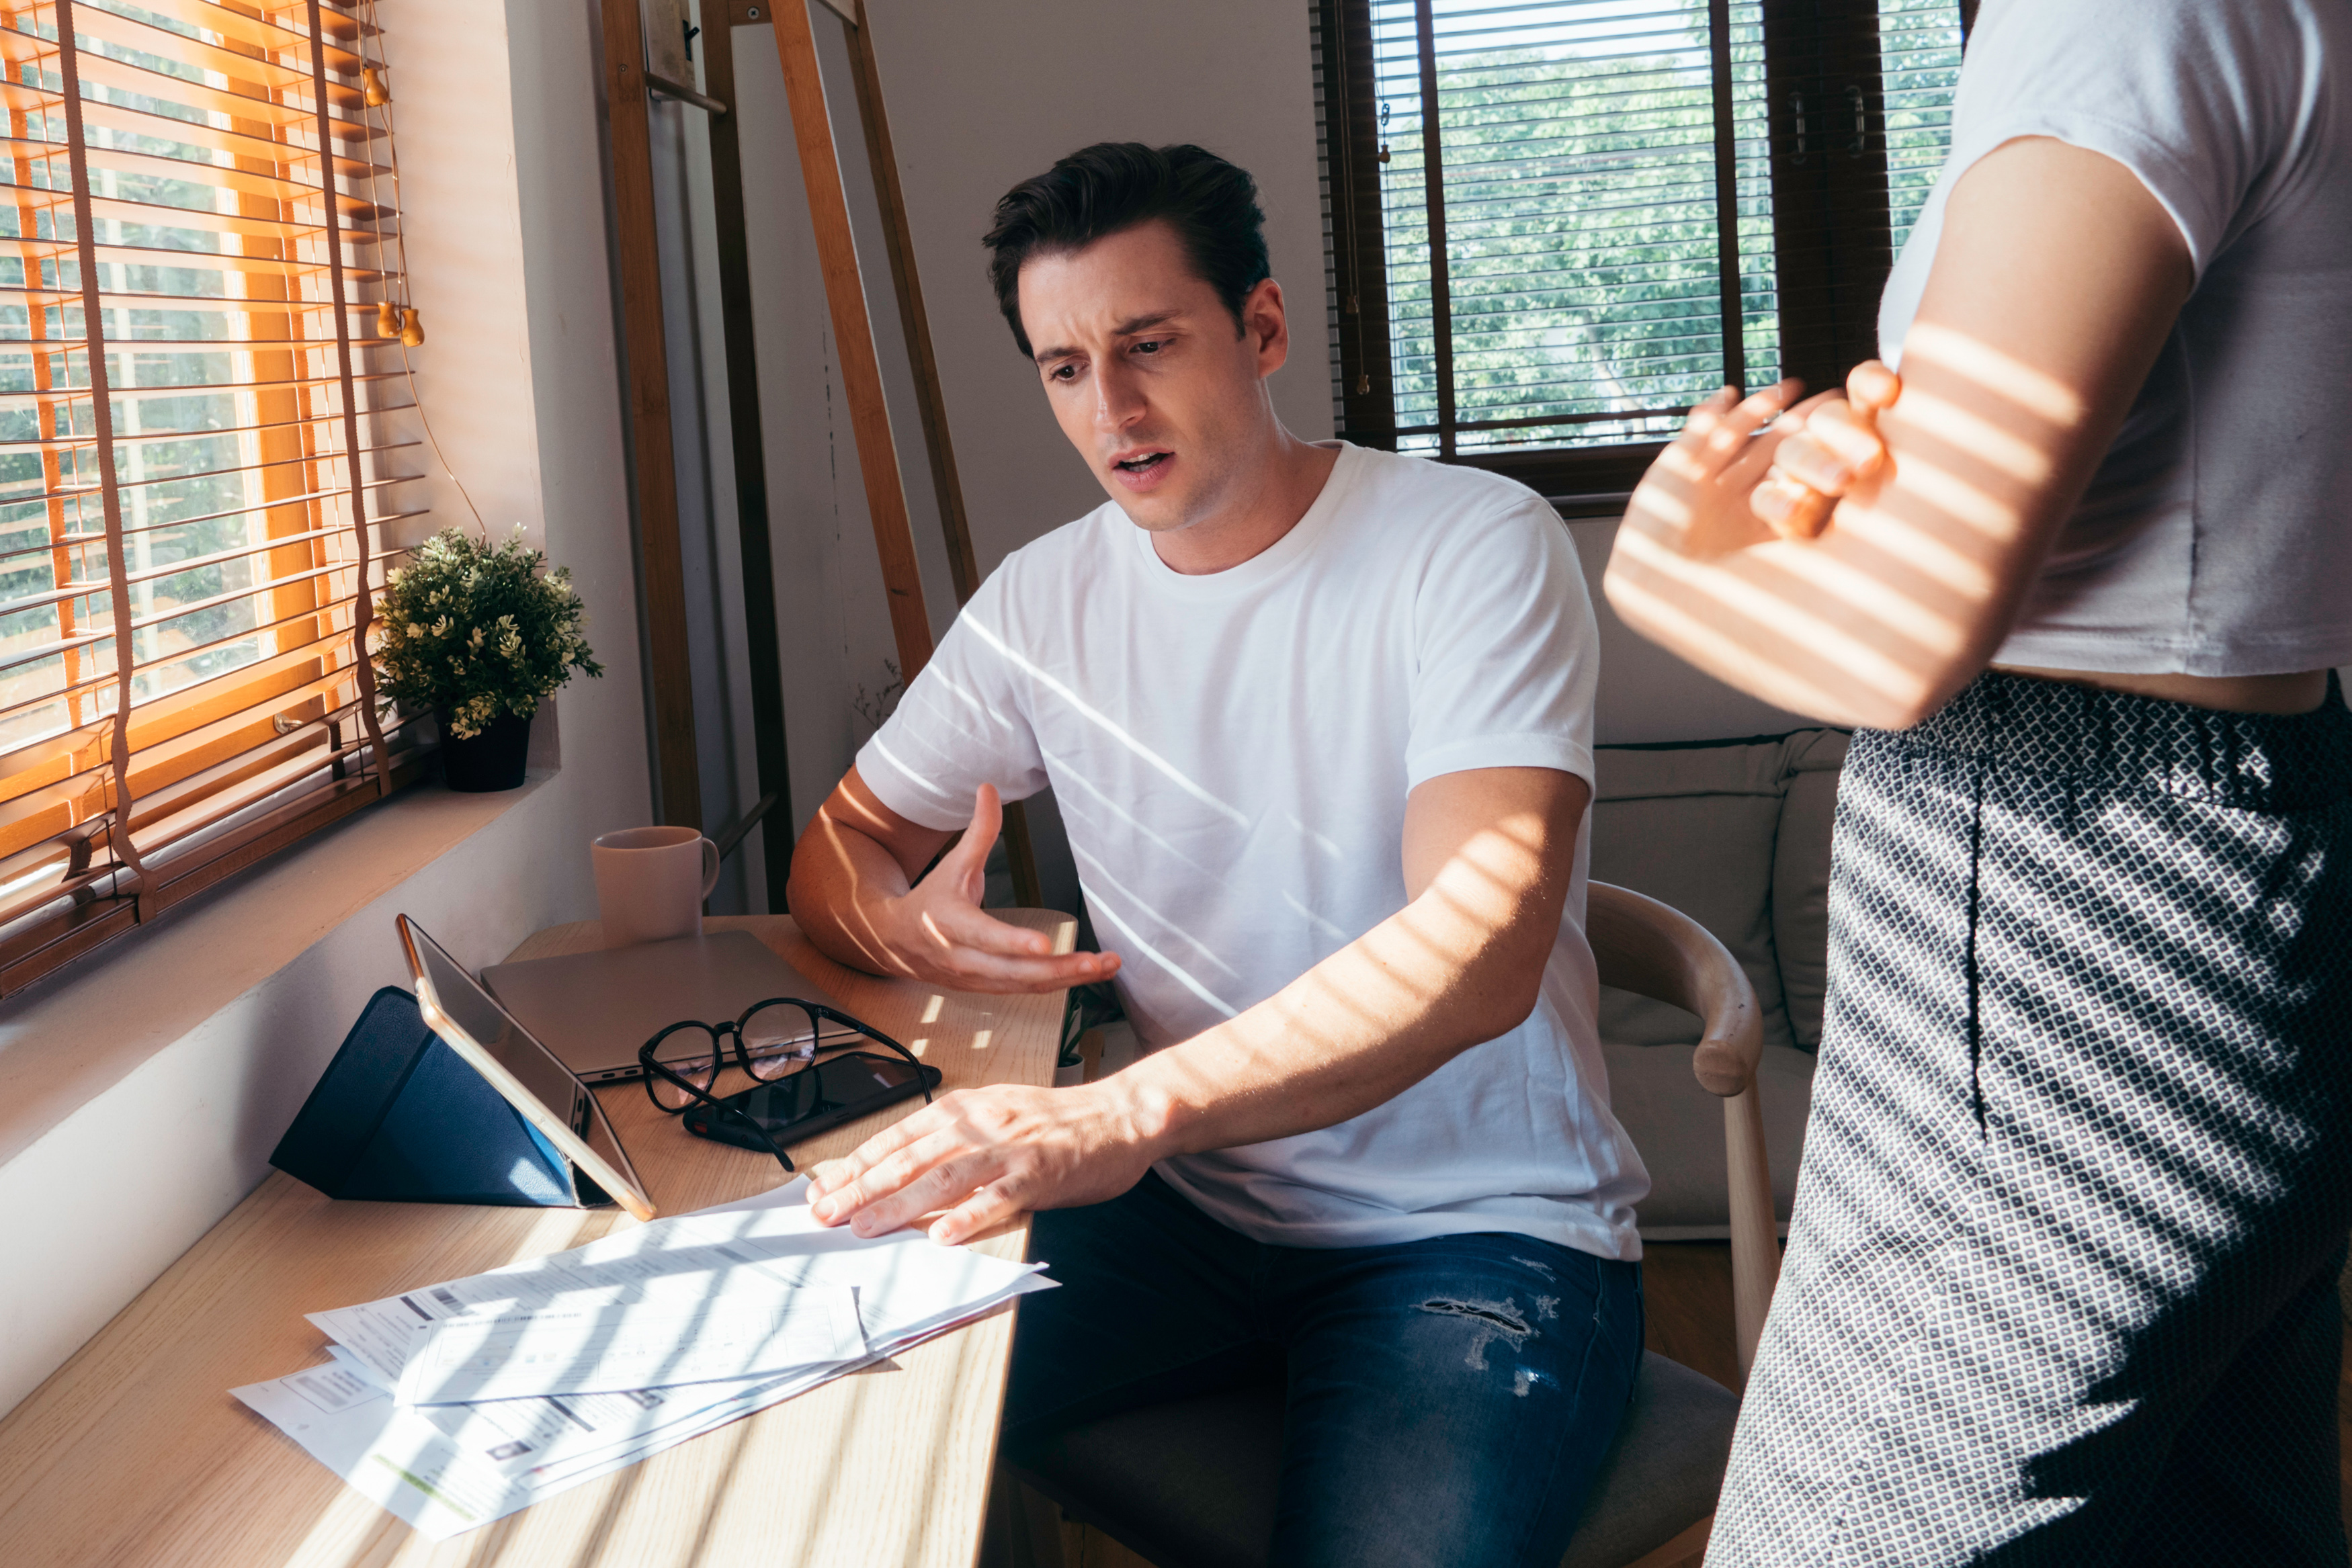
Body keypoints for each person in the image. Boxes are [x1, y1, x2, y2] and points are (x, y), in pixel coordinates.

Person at [782, 142, 1646, 1567]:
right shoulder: (1042, 603)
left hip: (1476, 1246)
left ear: (1259, 330)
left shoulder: (1469, 546)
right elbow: (845, 843)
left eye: (1147, 346)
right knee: (800, 1417)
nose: (1110, 409)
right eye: (1063, 366)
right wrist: (898, 928)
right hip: (1189, 1214)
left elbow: (1477, 955)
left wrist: (1112, 1118)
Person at [1603, 1, 2352, 1562]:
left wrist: (1677, 550)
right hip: (2263, 848)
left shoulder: (2120, 18)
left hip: (2066, 888)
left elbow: (1894, 633)